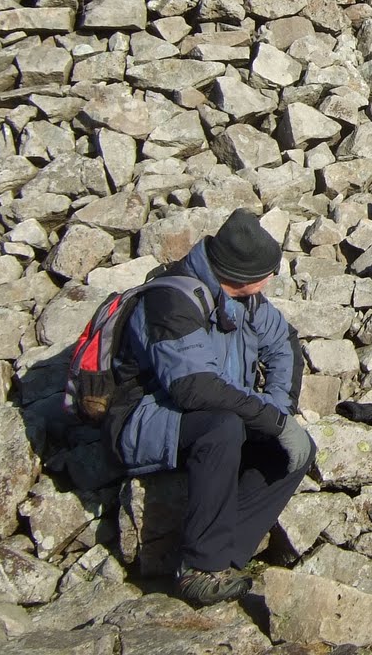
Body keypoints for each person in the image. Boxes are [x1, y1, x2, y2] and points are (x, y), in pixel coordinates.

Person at [106, 209, 316, 606]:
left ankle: (227, 554)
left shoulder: (247, 301)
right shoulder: (171, 301)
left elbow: (283, 342)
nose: (273, 279)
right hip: (142, 422)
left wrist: (279, 410)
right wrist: (269, 418)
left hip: (211, 413)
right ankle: (201, 569)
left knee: (293, 447)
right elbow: (193, 389)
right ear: (239, 275)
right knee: (222, 428)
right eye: (268, 272)